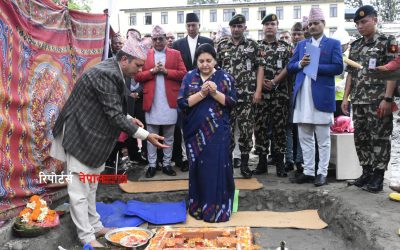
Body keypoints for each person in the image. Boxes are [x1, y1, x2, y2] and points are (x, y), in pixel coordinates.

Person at [50, 37, 168, 247]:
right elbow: (114, 115)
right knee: (78, 190)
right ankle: (86, 237)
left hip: (92, 133)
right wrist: (145, 135)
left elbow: (111, 107)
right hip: (79, 133)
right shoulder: (107, 73)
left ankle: (95, 226)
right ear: (124, 59)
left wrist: (131, 119)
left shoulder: (118, 72)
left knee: (92, 185)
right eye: (138, 65)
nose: (139, 71)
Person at [342, 5, 398, 193]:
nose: (360, 26)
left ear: (375, 19)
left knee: (380, 138)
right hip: (358, 100)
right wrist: (345, 98)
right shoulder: (356, 45)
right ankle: (366, 171)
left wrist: (388, 98)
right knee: (361, 138)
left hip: (378, 101)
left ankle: (378, 176)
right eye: (357, 23)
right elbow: (351, 73)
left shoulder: (387, 41)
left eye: (364, 21)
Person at [178, 43, 237, 222]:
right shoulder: (189, 77)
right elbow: (182, 103)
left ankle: (216, 210)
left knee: (216, 168)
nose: (205, 64)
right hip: (195, 133)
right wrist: (202, 94)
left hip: (218, 132)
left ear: (215, 61)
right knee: (198, 169)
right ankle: (198, 208)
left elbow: (232, 102)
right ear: (196, 61)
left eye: (208, 60)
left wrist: (214, 92)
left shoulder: (225, 78)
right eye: (201, 60)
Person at [287, 7, 343, 187]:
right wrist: (300, 64)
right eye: (310, 24)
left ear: (323, 24)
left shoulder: (333, 43)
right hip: (303, 95)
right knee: (305, 137)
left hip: (322, 96)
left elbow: (338, 68)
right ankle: (309, 171)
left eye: (315, 23)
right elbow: (290, 67)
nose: (312, 26)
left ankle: (322, 172)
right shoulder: (301, 45)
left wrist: (315, 66)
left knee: (323, 139)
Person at [135, 25, 187, 178]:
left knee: (169, 135)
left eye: (161, 39)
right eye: (155, 39)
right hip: (152, 101)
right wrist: (153, 71)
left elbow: (184, 74)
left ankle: (166, 164)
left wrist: (166, 72)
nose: (158, 41)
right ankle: (152, 165)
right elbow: (137, 76)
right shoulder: (145, 54)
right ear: (152, 40)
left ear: (165, 39)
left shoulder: (175, 54)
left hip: (170, 101)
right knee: (151, 135)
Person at [217, 14, 264, 178]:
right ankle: (227, 165)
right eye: (233, 26)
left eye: (239, 26)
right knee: (226, 132)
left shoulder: (252, 45)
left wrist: (258, 90)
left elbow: (260, 68)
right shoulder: (222, 45)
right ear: (230, 28)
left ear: (245, 27)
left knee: (245, 131)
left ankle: (244, 165)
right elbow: (216, 71)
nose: (236, 29)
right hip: (227, 98)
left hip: (247, 97)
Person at [172, 13, 214, 172]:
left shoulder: (207, 42)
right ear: (185, 27)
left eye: (194, 25)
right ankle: (185, 158)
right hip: (185, 90)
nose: (191, 28)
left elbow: (212, 65)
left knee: (204, 123)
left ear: (199, 25)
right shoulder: (177, 44)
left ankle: (203, 156)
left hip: (205, 90)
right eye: (188, 25)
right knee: (185, 125)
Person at [253, 14, 292, 177]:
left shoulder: (286, 47)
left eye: (272, 24)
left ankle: (280, 164)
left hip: (279, 95)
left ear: (277, 27)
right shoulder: (254, 47)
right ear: (263, 27)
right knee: (260, 128)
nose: (269, 26)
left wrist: (275, 81)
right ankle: (262, 163)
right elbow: (251, 69)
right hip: (260, 95)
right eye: (267, 24)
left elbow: (290, 67)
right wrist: (260, 84)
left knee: (279, 129)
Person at [331, 28, 351, 117]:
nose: (339, 47)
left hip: (344, 97)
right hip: (331, 96)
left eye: (342, 45)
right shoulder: (331, 56)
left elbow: (350, 75)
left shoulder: (350, 57)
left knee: (343, 124)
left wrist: (340, 85)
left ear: (347, 44)